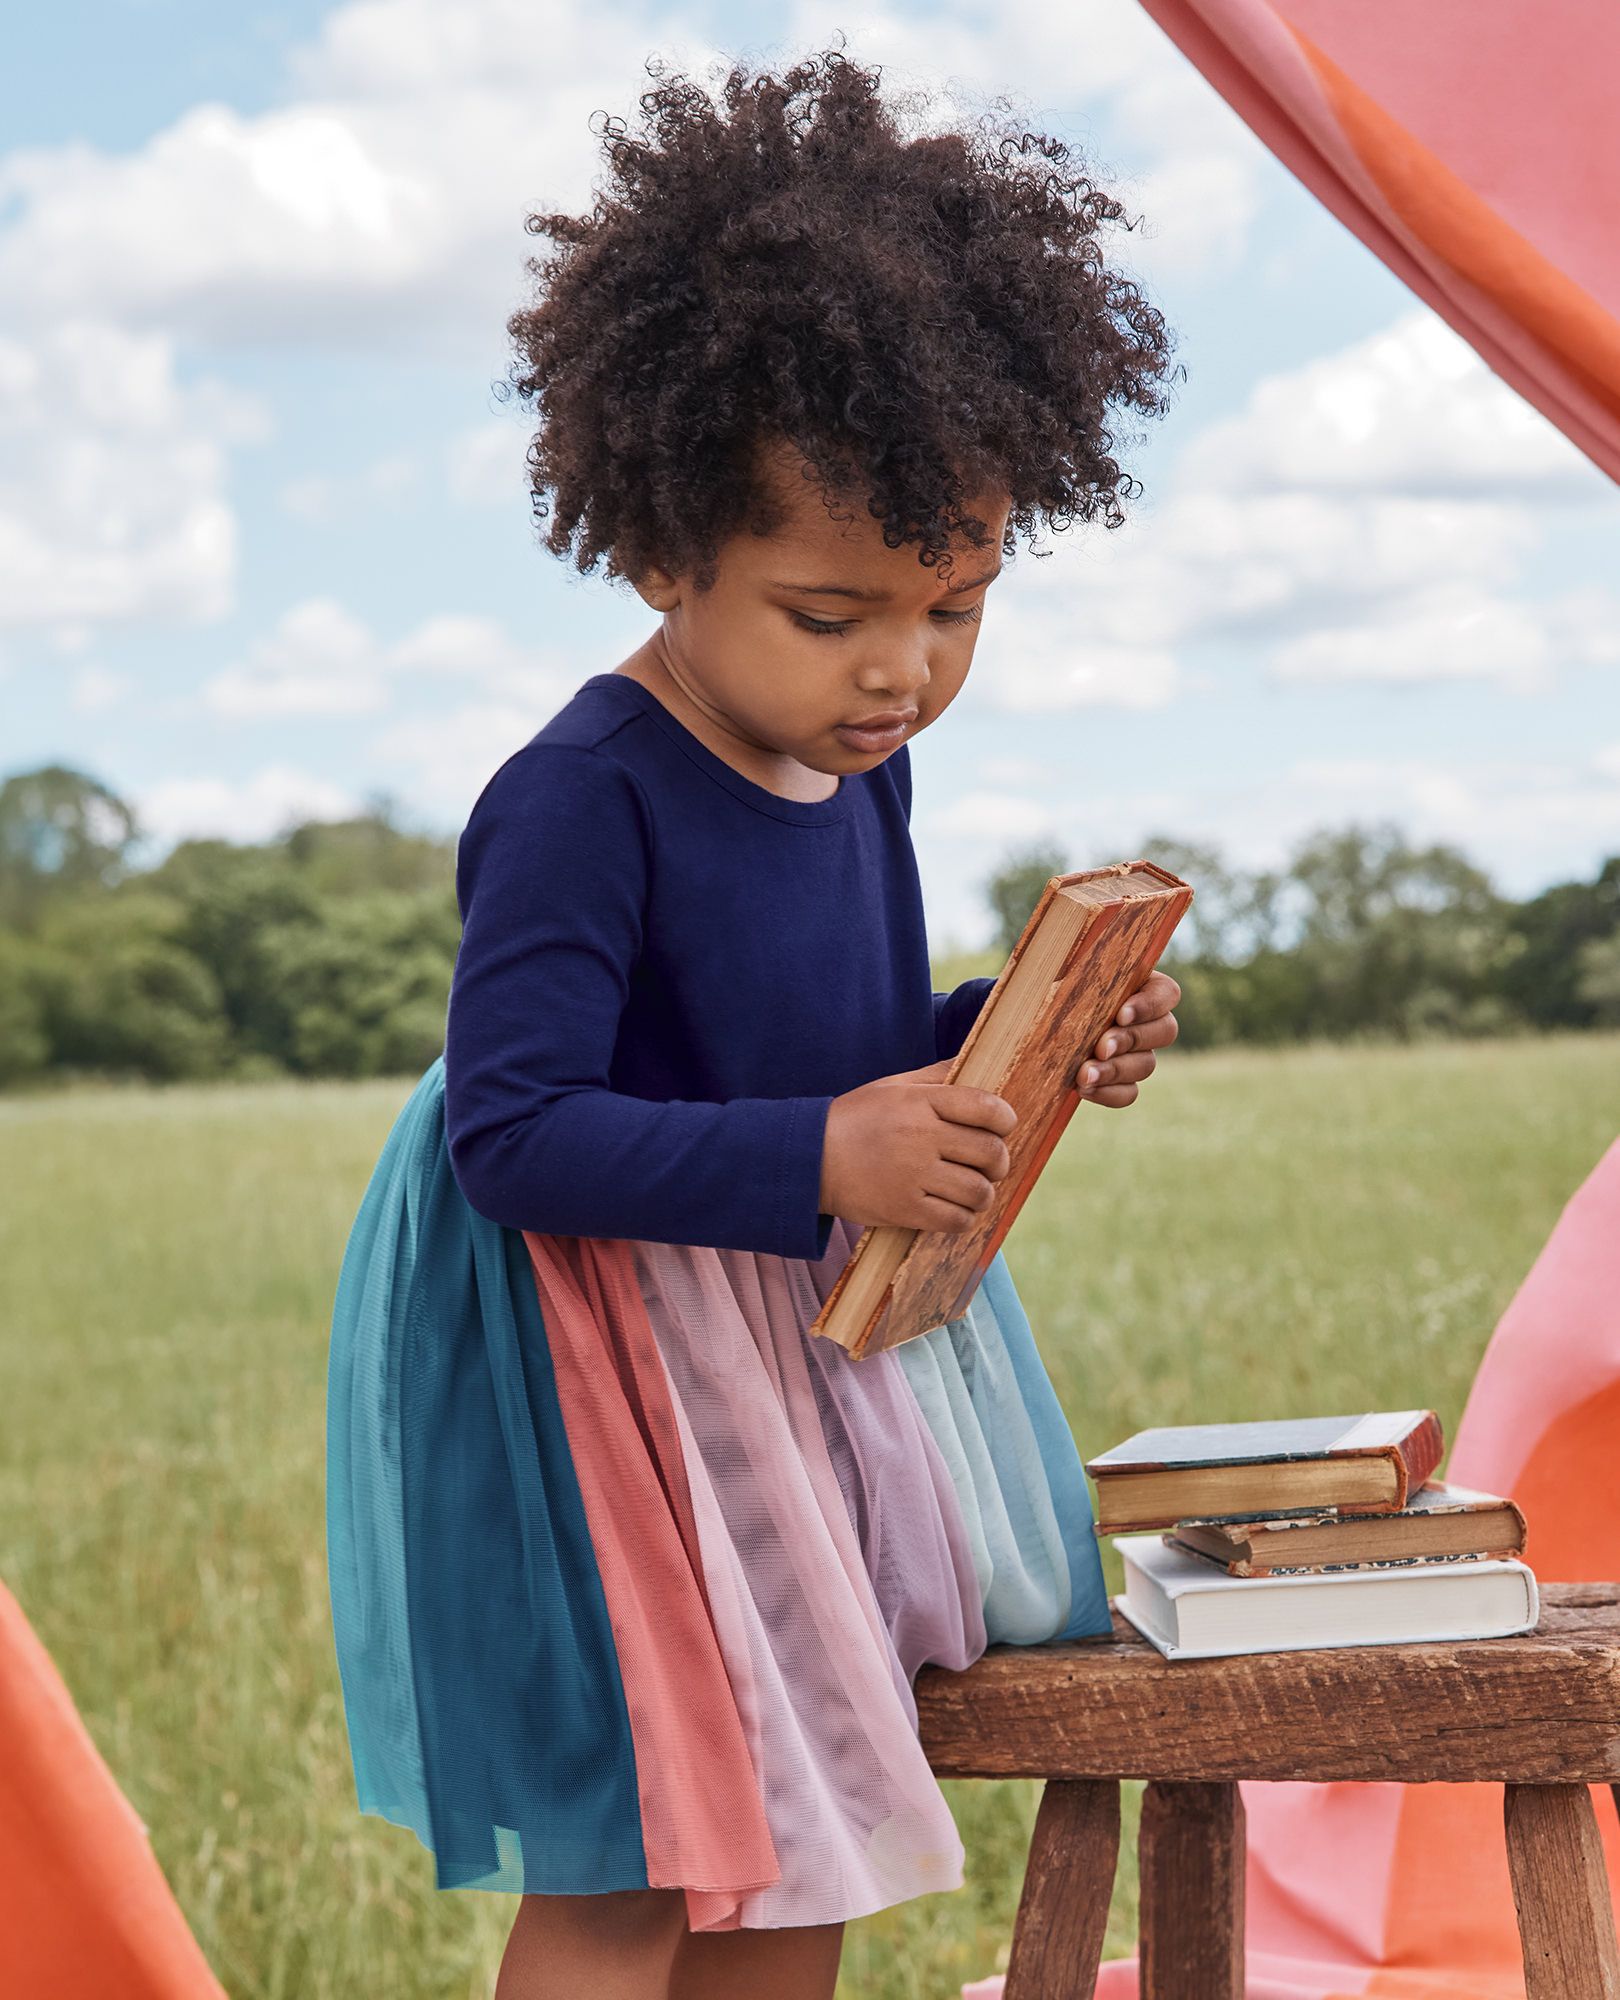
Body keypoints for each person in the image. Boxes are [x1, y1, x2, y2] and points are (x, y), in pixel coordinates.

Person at [326, 43, 1181, 2000]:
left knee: (810, 1828)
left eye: (957, 606)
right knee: (648, 1849)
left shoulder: (859, 767)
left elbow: (840, 1028)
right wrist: (825, 1152)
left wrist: (1018, 1032)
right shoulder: (581, 798)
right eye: (832, 614)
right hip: (599, 1366)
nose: (902, 672)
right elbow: (514, 1132)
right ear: (661, 554)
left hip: (781, 1338)